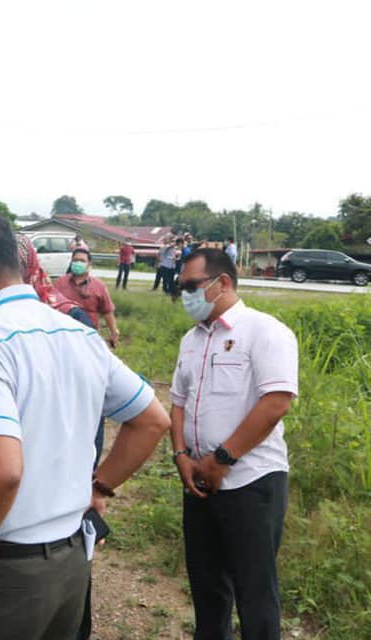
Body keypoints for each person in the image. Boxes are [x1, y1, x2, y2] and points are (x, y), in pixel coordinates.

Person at [0, 210, 171, 640]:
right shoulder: (78, 333)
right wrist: (100, 488)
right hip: (72, 563)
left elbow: (1, 470)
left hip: (4, 571)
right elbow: (152, 419)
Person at [170, 248, 297, 640]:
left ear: (221, 283)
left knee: (254, 592)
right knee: (207, 589)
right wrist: (181, 457)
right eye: (180, 288)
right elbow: (177, 403)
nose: (184, 295)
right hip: (199, 481)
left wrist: (223, 458)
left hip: (251, 482)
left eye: (191, 286)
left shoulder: (265, 331)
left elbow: (276, 401)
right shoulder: (191, 340)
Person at [51, 249, 120, 348]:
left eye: (82, 261)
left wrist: (113, 332)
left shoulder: (99, 286)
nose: (78, 263)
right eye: (75, 260)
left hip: (88, 336)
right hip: (63, 335)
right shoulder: (60, 283)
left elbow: (107, 311)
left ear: (89, 264)